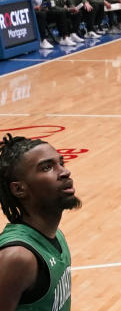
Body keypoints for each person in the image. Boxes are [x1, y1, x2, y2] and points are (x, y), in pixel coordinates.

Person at [0, 133, 80, 310]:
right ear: (19, 189)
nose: (65, 172)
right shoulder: (17, 257)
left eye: (61, 163)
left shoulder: (55, 235)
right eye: (46, 168)